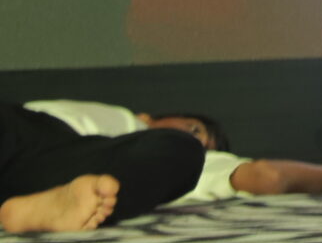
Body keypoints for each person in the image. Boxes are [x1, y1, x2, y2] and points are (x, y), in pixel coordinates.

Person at [21, 101, 322, 204]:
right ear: (151, 116)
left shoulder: (185, 160)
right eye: (193, 130)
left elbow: (268, 177)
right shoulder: (126, 120)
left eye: (203, 143)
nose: (196, 142)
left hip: (50, 172)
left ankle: (34, 203)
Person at [1, 100, 204, 234]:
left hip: (69, 172)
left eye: (208, 144)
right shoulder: (127, 117)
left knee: (186, 148)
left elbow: (218, 174)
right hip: (32, 132)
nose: (197, 136)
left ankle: (30, 209)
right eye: (194, 128)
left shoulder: (141, 146)